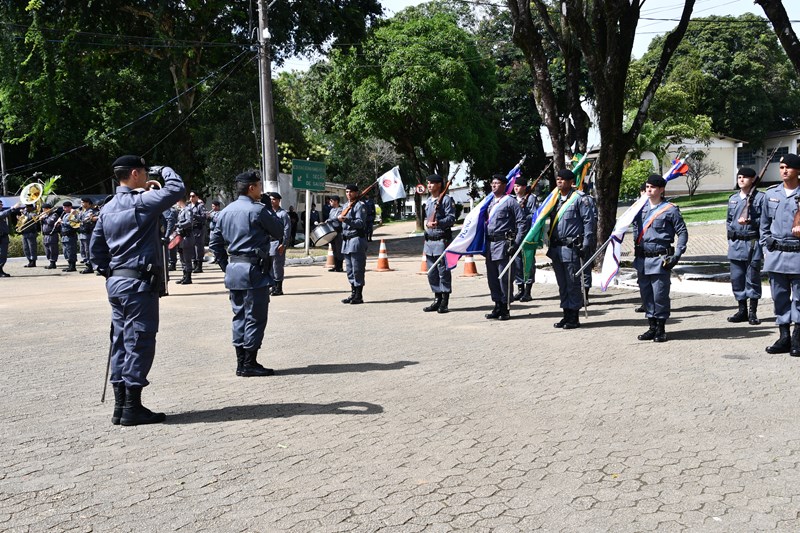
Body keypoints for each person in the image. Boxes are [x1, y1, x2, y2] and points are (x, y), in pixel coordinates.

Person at [90, 155, 185, 426]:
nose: (146, 175)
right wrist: (164, 168)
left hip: (117, 283)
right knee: (140, 340)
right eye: (144, 171)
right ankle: (132, 407)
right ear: (134, 173)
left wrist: (112, 273)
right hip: (138, 285)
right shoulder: (141, 201)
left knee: (120, 340)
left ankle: (121, 408)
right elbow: (176, 189)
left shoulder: (107, 208)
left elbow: (95, 251)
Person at [208, 170, 284, 377]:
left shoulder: (224, 212)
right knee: (256, 317)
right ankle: (249, 363)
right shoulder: (258, 211)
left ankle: (241, 362)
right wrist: (269, 210)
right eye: (259, 185)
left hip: (234, 269)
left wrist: (226, 265)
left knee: (239, 315)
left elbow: (214, 244)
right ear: (251, 187)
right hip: (254, 271)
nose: (261, 190)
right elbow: (279, 232)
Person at [632, 173, 688, 343]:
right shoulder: (639, 209)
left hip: (660, 259)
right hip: (643, 259)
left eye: (653, 187)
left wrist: (677, 254)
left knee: (660, 295)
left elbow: (682, 232)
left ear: (661, 190)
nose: (649, 190)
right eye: (647, 187)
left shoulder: (670, 209)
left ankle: (661, 328)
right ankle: (651, 326)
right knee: (646, 294)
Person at [760, 153, 800, 356]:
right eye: (782, 167)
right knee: (780, 297)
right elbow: (763, 225)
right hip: (777, 255)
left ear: (798, 170)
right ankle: (784, 337)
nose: (784, 170)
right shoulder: (771, 194)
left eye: (789, 167)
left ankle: (797, 338)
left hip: (798, 255)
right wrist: (766, 249)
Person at [547, 169, 597, 329]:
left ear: (571, 182)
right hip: (557, 249)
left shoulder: (580, 199)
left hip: (572, 248)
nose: (559, 182)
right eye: (558, 179)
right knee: (562, 284)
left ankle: (574, 316)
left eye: (562, 179)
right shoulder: (554, 200)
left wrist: (586, 245)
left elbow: (589, 223)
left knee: (572, 283)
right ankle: (566, 314)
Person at [726, 167, 765, 325]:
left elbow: (765, 221)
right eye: (739, 177)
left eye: (745, 177)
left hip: (752, 243)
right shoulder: (733, 198)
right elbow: (729, 221)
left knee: (752, 278)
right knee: (737, 278)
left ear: (753, 179)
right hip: (736, 244)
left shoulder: (761, 198)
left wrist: (752, 222)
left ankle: (752, 312)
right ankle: (741, 310)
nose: (741, 179)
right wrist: (730, 238)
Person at [484, 173, 526, 321]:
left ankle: (505, 307)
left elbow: (522, 222)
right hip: (490, 244)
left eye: (497, 183)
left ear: (504, 185)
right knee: (492, 278)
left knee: (504, 278)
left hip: (504, 244)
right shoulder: (489, 202)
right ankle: (496, 304)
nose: (494, 185)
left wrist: (516, 243)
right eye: (492, 183)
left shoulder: (510, 202)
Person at [422, 174, 456, 313]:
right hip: (429, 242)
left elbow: (452, 218)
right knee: (432, 273)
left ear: (439, 185)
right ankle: (436, 299)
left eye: (432, 183)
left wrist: (439, 223)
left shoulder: (446, 200)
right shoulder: (429, 200)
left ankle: (444, 301)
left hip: (442, 240)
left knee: (443, 271)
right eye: (428, 183)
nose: (429, 185)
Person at [340, 184, 368, 304]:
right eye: (347, 192)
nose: (349, 194)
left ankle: (359, 295)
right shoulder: (346, 206)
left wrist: (346, 219)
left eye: (351, 192)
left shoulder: (359, 206)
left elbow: (360, 223)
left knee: (357, 269)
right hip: (346, 241)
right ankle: (353, 292)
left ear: (356, 193)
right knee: (350, 270)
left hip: (356, 240)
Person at [511, 176, 538, 302]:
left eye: (519, 186)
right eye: (515, 186)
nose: (516, 188)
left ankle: (528, 291)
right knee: (517, 263)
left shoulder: (531, 199)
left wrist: (522, 213)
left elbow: (535, 216)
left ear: (524, 187)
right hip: (515, 235)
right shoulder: (511, 199)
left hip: (527, 235)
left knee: (528, 262)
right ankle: (520, 289)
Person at [267, 191, 292, 296]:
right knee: (269, 266)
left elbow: (287, 229)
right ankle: (272, 286)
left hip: (278, 242)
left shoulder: (283, 214)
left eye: (274, 199)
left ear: (278, 201)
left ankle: (278, 288)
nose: (272, 201)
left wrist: (284, 244)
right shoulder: (268, 212)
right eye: (270, 199)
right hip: (268, 243)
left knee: (277, 266)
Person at [175, 197, 195, 284]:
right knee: (182, 258)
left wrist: (178, 225)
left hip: (187, 236)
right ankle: (184, 275)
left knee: (187, 258)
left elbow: (189, 222)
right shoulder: (181, 210)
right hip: (181, 237)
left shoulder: (187, 210)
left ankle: (188, 277)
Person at [0, 200, 21, 277]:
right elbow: (2, 214)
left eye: (1, 204)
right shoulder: (2, 213)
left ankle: (0, 269)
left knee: (3, 254)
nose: (1, 205)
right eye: (0, 204)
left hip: (4, 236)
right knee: (1, 254)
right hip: (1, 237)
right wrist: (13, 208)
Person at [57, 201, 79, 272]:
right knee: (66, 251)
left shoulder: (73, 214)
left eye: (66, 207)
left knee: (71, 251)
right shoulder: (65, 215)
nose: (64, 209)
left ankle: (72, 266)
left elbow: (73, 223)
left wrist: (62, 222)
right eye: (64, 207)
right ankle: (69, 265)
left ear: (70, 207)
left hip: (70, 236)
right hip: (64, 236)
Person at [78, 198, 98, 274]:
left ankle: (90, 266)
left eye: (83, 202)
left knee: (87, 251)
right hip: (82, 233)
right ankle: (87, 264)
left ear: (88, 203)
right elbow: (77, 221)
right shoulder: (82, 211)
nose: (82, 204)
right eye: (81, 202)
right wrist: (75, 215)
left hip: (88, 233)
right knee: (82, 250)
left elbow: (86, 220)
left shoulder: (91, 211)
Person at [188, 192, 206, 273]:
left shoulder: (200, 206)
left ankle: (199, 265)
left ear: (197, 197)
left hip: (198, 229)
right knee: (191, 247)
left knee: (198, 247)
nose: (191, 198)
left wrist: (194, 215)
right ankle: (194, 264)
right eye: (190, 196)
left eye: (193, 196)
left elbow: (203, 217)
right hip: (190, 229)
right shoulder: (188, 206)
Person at [40, 203, 61, 269]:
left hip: (52, 234)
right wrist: (41, 219)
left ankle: (53, 262)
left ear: (48, 209)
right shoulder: (45, 215)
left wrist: (43, 218)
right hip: (45, 235)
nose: (43, 211)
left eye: (44, 209)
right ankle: (50, 261)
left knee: (53, 249)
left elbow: (50, 222)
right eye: (43, 209)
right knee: (47, 249)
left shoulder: (54, 215)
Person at [326, 196, 344, 272]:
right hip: (332, 232)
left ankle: (340, 266)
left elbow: (338, 218)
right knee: (334, 250)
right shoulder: (332, 210)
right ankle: (335, 266)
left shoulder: (341, 210)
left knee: (339, 249)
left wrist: (330, 220)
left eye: (331, 201)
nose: (330, 202)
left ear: (336, 201)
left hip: (339, 232)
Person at [19, 203, 39, 267]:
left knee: (32, 248)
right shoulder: (25, 214)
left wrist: (24, 213)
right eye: (26, 207)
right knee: (26, 248)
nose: (26, 208)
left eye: (27, 207)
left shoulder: (34, 213)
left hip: (31, 233)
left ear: (31, 208)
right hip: (24, 233)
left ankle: (33, 261)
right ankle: (29, 260)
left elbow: (31, 218)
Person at [206, 200, 225, 265]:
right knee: (212, 246)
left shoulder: (220, 213)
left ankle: (218, 258)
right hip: (212, 231)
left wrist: (211, 217)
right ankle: (215, 257)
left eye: (214, 206)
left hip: (217, 232)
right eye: (212, 206)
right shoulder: (212, 213)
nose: (212, 208)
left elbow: (218, 220)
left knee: (214, 245)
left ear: (217, 206)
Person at [162, 204, 178, 271]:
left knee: (170, 249)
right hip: (165, 233)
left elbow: (170, 222)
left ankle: (172, 263)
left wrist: (167, 235)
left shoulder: (168, 210)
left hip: (168, 233)